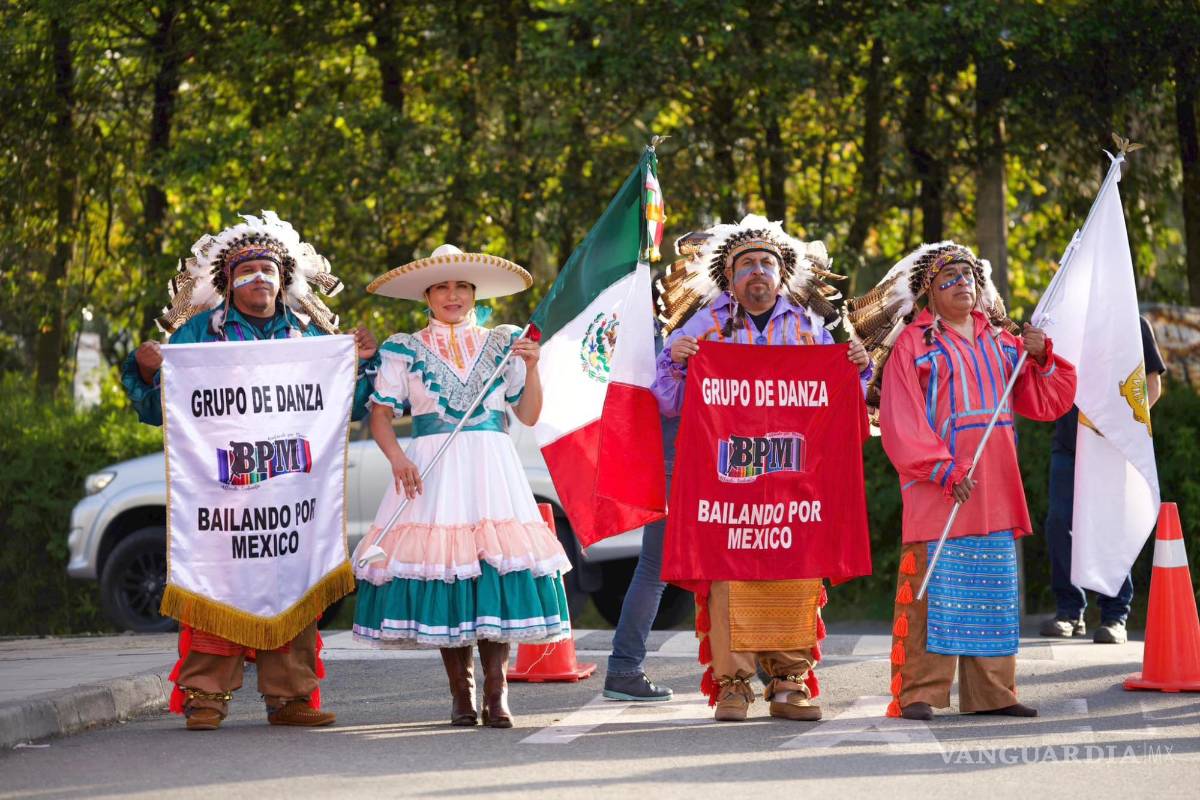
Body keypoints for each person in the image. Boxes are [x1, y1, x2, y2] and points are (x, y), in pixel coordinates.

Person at [122, 211, 380, 731]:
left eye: (268, 269)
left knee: (293, 586)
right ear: (226, 281)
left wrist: (361, 364)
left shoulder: (310, 335)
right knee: (216, 588)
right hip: (221, 499)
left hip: (290, 500)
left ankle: (290, 697)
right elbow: (160, 410)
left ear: (284, 279)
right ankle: (206, 697)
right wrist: (147, 370)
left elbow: (344, 407)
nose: (258, 278)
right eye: (246, 271)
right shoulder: (198, 332)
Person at [848, 241, 1076, 721]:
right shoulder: (914, 342)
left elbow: (1044, 401)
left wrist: (1041, 357)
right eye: (949, 278)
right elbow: (901, 418)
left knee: (991, 591)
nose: (962, 284)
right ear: (928, 291)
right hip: (940, 486)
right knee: (933, 592)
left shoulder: (1003, 339)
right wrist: (942, 469)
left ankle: (994, 692)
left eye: (969, 276)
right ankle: (918, 692)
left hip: (993, 485)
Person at [654, 215, 870, 722]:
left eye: (766, 264)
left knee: (795, 571)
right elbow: (668, 401)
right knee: (730, 576)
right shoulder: (702, 325)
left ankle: (790, 682)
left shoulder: (810, 327)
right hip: (725, 481)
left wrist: (857, 367)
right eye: (746, 264)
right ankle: (733, 685)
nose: (757, 272)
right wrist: (676, 361)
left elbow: (845, 403)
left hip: (795, 480)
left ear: (782, 274)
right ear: (728, 278)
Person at [352, 244, 572, 729]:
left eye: (462, 287)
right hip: (432, 468)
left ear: (474, 293)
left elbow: (530, 414)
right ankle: (460, 694)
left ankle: (498, 695)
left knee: (494, 566)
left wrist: (532, 367)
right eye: (442, 287)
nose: (452, 295)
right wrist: (397, 459)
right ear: (426, 295)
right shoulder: (401, 348)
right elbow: (381, 416)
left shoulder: (507, 341)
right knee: (445, 569)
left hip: (492, 467)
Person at [1039, 315, 1166, 644]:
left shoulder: (1132, 320)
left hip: (1110, 445)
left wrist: (1124, 428)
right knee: (1059, 522)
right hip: (1069, 445)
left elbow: (1152, 385)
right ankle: (1069, 611)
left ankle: (1115, 615)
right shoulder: (1068, 316)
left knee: (1109, 525)